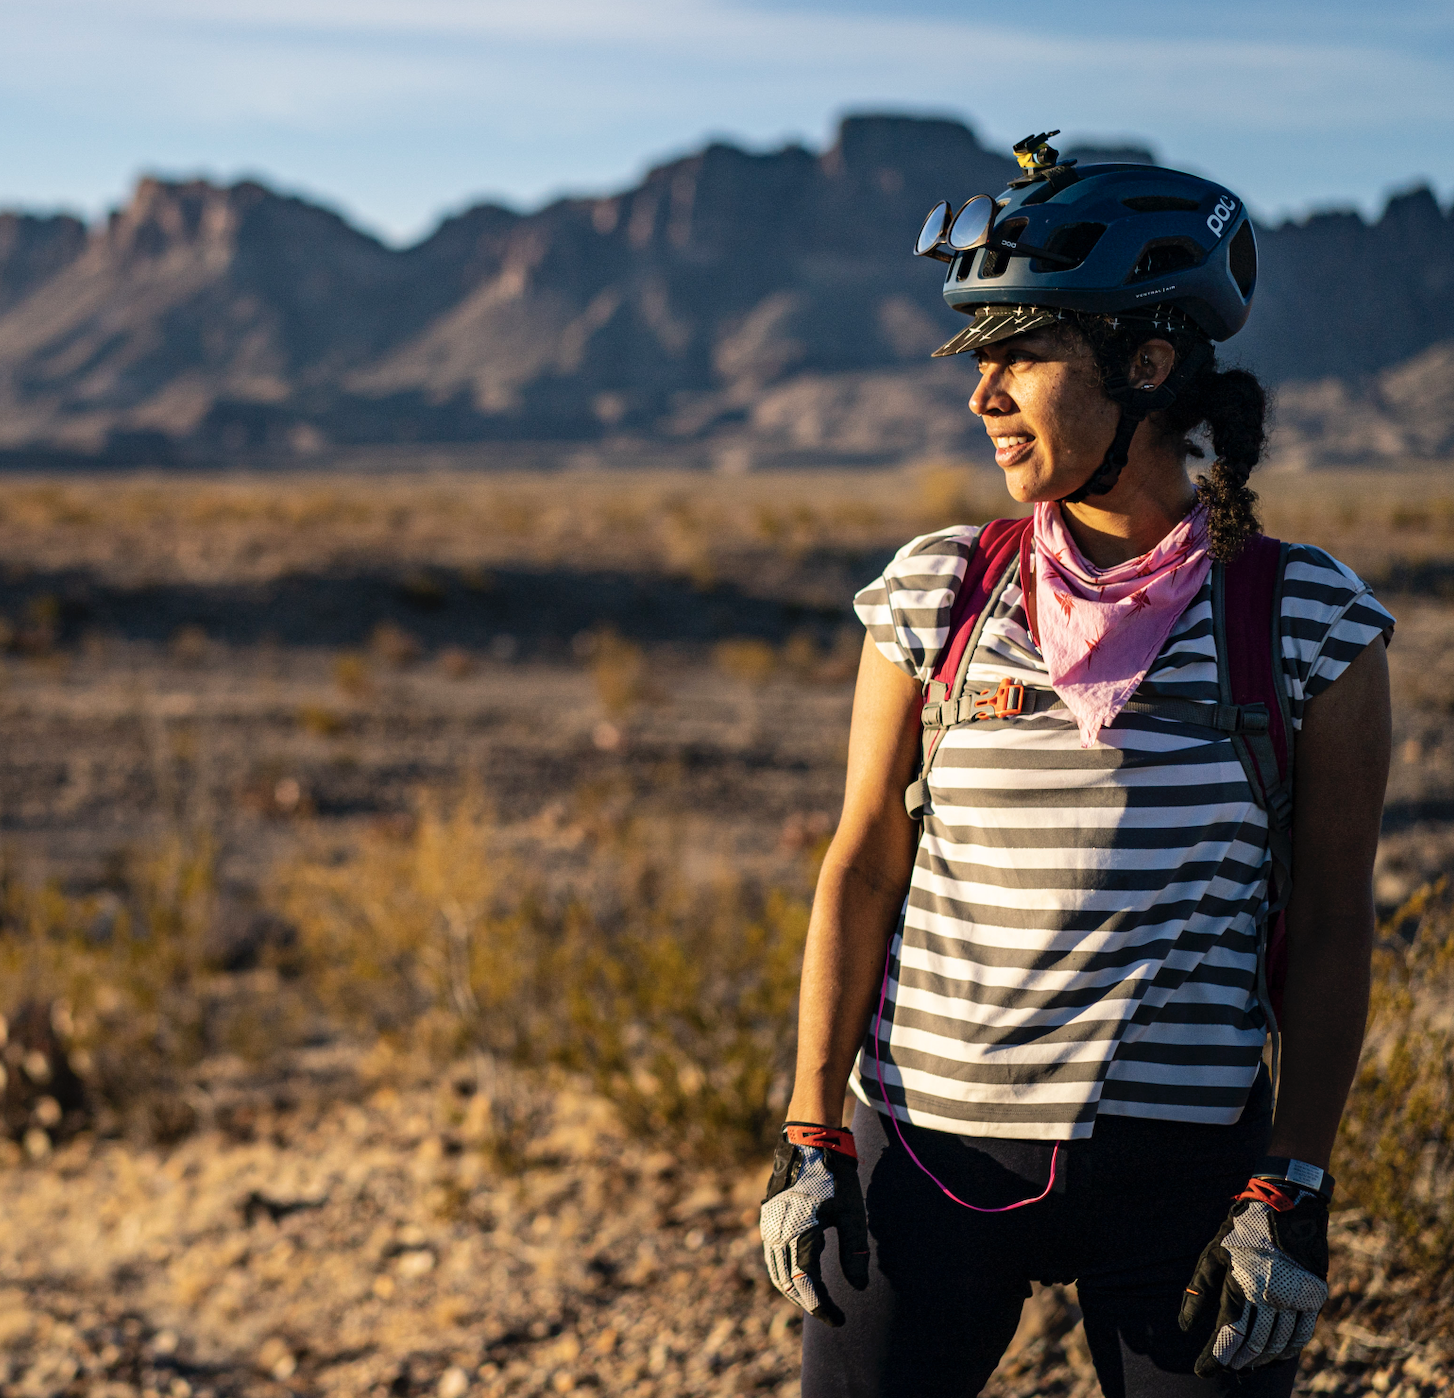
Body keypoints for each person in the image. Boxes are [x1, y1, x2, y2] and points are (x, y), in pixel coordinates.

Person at [759, 135, 1393, 1397]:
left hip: (1186, 1184)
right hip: (923, 1160)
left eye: (1019, 355)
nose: (982, 396)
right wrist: (809, 1134)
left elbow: (1329, 921)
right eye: (976, 360)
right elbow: (860, 863)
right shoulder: (937, 591)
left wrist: (1296, 1187)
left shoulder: (1303, 617)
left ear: (1146, 363)